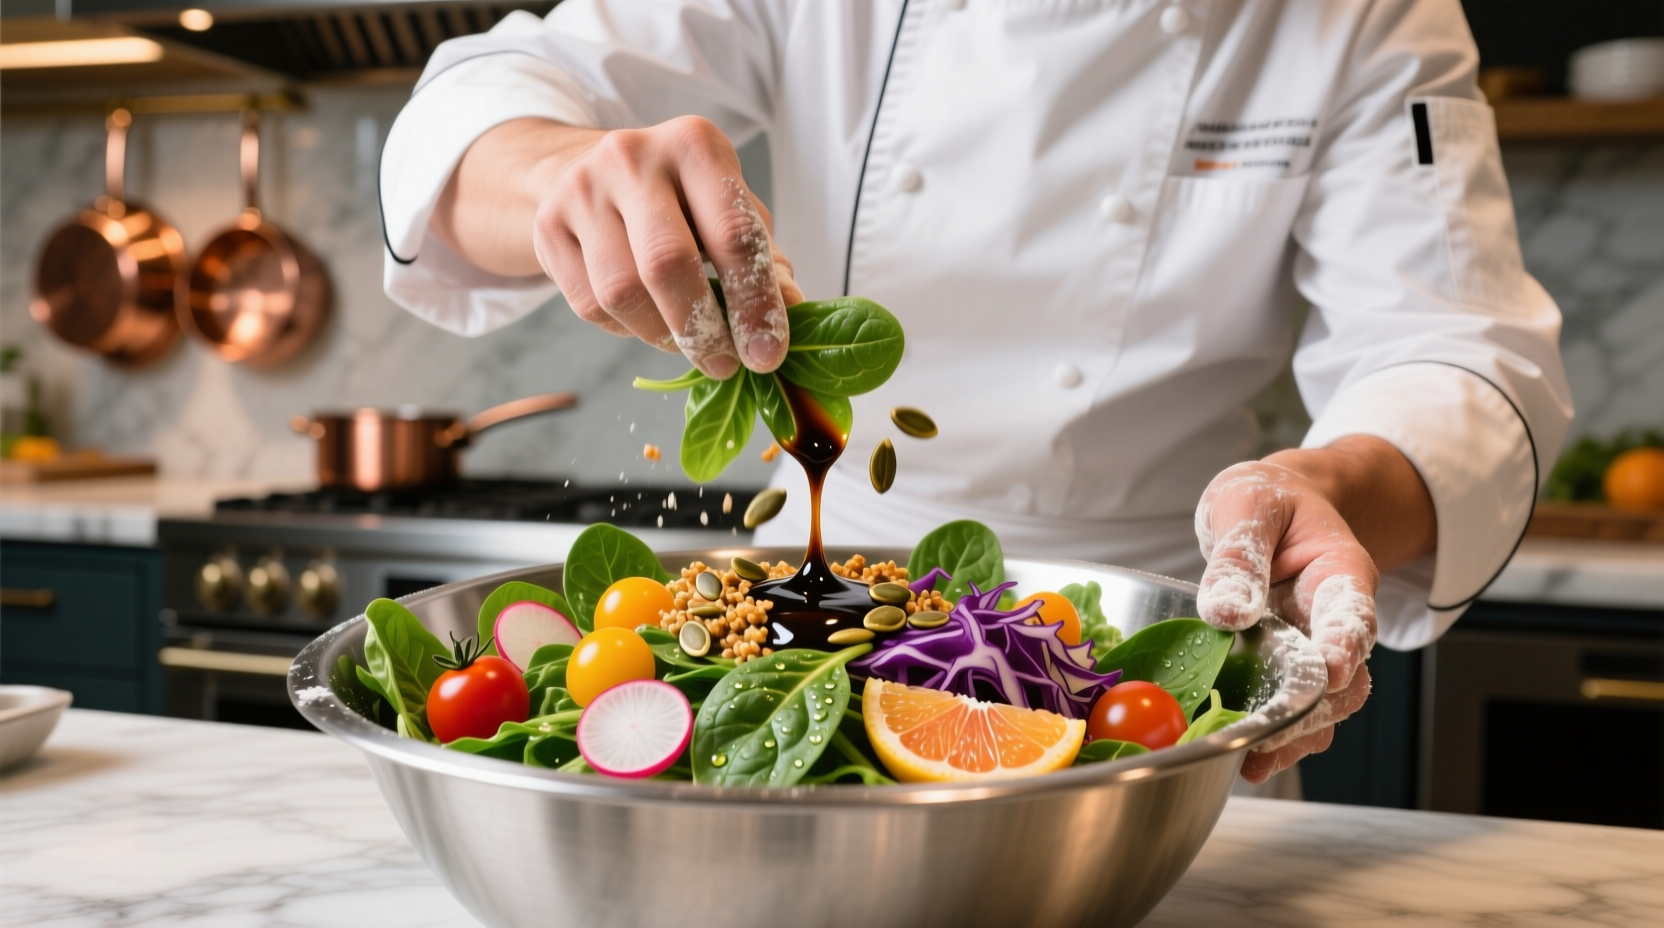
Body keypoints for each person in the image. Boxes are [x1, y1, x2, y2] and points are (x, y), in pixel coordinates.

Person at [379, 0, 1572, 786]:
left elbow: (1457, 349)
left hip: (1139, 680)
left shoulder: (1358, 14)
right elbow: (474, 109)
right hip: (820, 636)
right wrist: (561, 175)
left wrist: (1318, 488)